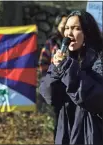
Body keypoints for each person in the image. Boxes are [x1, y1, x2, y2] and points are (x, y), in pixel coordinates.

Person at [39, 10, 103, 144]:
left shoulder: (98, 59)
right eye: (67, 28)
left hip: (92, 135)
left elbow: (94, 97)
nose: (69, 33)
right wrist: (56, 70)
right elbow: (48, 95)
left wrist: (67, 67)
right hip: (66, 133)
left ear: (87, 32)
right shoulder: (63, 60)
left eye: (76, 28)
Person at [37, 13, 67, 113]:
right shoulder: (51, 42)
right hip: (54, 85)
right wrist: (49, 79)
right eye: (63, 24)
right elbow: (43, 62)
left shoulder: (73, 43)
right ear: (57, 25)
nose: (66, 27)